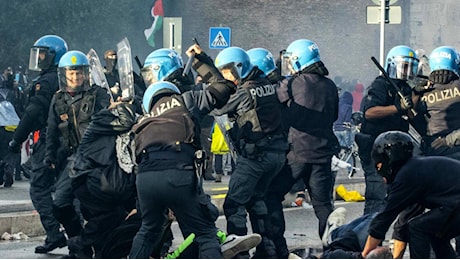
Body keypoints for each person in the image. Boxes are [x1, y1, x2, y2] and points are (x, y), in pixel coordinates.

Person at [128, 43, 238, 259]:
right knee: (205, 233)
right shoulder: (188, 100)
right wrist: (199, 60)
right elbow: (225, 87)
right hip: (177, 174)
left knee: (148, 231)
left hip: (145, 180)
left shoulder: (144, 118)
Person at [264, 38, 340, 258]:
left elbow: (275, 100)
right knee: (323, 205)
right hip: (323, 153)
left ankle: (278, 247)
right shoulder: (330, 85)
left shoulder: (295, 83)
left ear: (298, 60)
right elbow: (333, 116)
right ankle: (332, 248)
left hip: (297, 152)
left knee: (272, 195)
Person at [210, 46, 288, 258]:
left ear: (239, 68)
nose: (226, 78)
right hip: (275, 154)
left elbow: (217, 107)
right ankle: (268, 249)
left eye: (227, 72)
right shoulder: (266, 85)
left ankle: (238, 252)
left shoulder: (245, 91)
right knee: (256, 199)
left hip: (256, 157)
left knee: (234, 204)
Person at [45, 50, 111, 257]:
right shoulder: (58, 100)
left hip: (97, 159)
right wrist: (50, 155)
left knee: (96, 207)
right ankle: (77, 240)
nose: (76, 78)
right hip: (73, 159)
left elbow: (110, 120)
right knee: (60, 203)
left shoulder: (98, 94)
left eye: (79, 73)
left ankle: (100, 245)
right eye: (71, 74)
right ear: (64, 75)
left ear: (86, 74)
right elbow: (52, 130)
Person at [8, 35, 69, 254]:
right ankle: (79, 234)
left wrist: (17, 139)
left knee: (39, 189)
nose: (39, 58)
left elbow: (33, 113)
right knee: (69, 189)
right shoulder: (67, 78)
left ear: (54, 56)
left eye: (43, 54)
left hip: (49, 140)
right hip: (71, 141)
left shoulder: (46, 82)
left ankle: (54, 233)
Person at [361, 131, 460, 258]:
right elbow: (407, 217)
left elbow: (384, 219)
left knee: (417, 228)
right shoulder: (417, 167)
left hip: (455, 205)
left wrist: (364, 255)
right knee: (435, 233)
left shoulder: (406, 176)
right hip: (454, 204)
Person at [355, 45, 421, 215]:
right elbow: (370, 112)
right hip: (374, 145)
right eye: (404, 65)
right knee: (377, 192)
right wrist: (397, 107)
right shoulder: (380, 85)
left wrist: (417, 95)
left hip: (394, 147)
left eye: (410, 66)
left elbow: (412, 115)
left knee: (399, 191)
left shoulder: (405, 87)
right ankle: (367, 234)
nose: (407, 70)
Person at [68, 100, 138, 258]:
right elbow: (126, 120)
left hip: (103, 183)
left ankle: (88, 249)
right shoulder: (102, 119)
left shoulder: (123, 130)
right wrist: (120, 105)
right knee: (113, 216)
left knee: (111, 220)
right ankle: (79, 244)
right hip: (89, 180)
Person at [0, 66, 21, 187]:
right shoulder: (16, 93)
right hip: (14, 126)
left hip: (1, 126)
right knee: (12, 152)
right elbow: (22, 109)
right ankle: (10, 169)